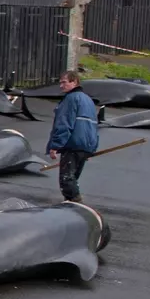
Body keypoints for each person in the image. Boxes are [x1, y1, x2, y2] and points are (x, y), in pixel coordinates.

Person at [47, 69, 99, 202]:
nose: (61, 85)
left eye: (64, 82)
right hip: (86, 146)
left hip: (73, 144)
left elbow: (64, 123)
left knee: (67, 179)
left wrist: (55, 145)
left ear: (74, 82)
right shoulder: (88, 100)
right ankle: (72, 204)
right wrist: (91, 149)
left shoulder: (70, 99)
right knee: (73, 177)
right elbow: (93, 125)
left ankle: (76, 205)